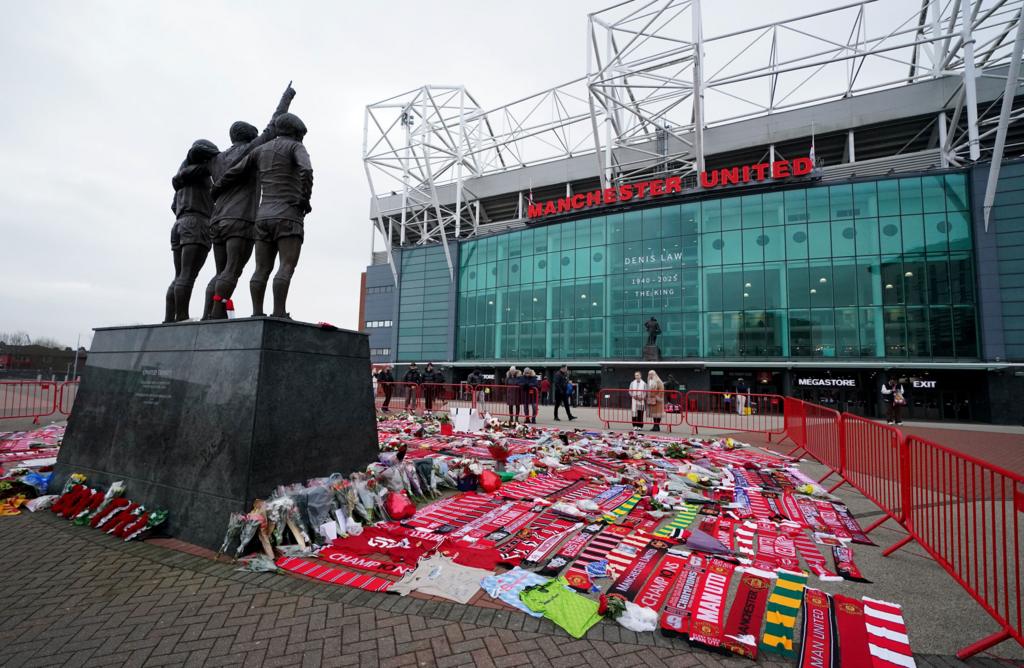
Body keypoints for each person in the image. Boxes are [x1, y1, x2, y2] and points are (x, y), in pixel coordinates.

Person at [203, 83, 296, 320]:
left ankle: (210, 313)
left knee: (220, 271)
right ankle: (216, 311)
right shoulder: (250, 151)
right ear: (250, 137)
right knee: (232, 270)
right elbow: (274, 126)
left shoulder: (216, 159)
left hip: (217, 220)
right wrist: (286, 98)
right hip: (240, 219)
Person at [214, 112, 313, 318]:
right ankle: (278, 312)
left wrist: (216, 189)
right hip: (288, 214)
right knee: (286, 265)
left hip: (262, 217)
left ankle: (257, 312)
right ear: (296, 132)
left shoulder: (259, 150)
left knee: (261, 269)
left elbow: (233, 172)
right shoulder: (296, 147)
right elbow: (306, 170)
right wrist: (304, 198)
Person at [166, 139, 220, 323]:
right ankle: (182, 317)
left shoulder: (182, 182)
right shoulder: (201, 173)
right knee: (188, 275)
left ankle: (170, 318)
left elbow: (174, 207)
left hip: (179, 224)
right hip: (196, 223)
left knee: (180, 275)